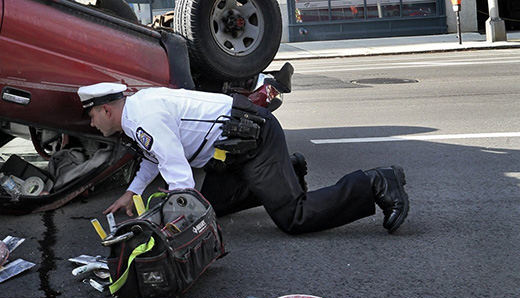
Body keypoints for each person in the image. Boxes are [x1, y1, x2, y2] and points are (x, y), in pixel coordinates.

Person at [77, 82, 409, 235]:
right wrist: (132, 193)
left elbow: (177, 172)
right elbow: (154, 155)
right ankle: (287, 170)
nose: (92, 124)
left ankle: (376, 182)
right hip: (235, 147)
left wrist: (177, 221)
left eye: (92, 117)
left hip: (256, 139)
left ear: (106, 109)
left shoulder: (141, 118)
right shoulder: (136, 112)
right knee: (213, 206)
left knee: (294, 218)